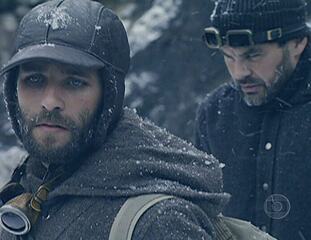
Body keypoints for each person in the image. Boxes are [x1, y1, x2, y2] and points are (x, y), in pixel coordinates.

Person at [0, 0, 231, 239]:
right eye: (35, 80)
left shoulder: (158, 223)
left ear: (108, 96)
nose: (50, 102)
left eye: (74, 82)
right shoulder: (26, 187)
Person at [195, 0, 311, 240]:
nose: (239, 72)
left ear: (298, 42)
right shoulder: (213, 114)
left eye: (254, 55)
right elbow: (200, 216)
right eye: (228, 56)